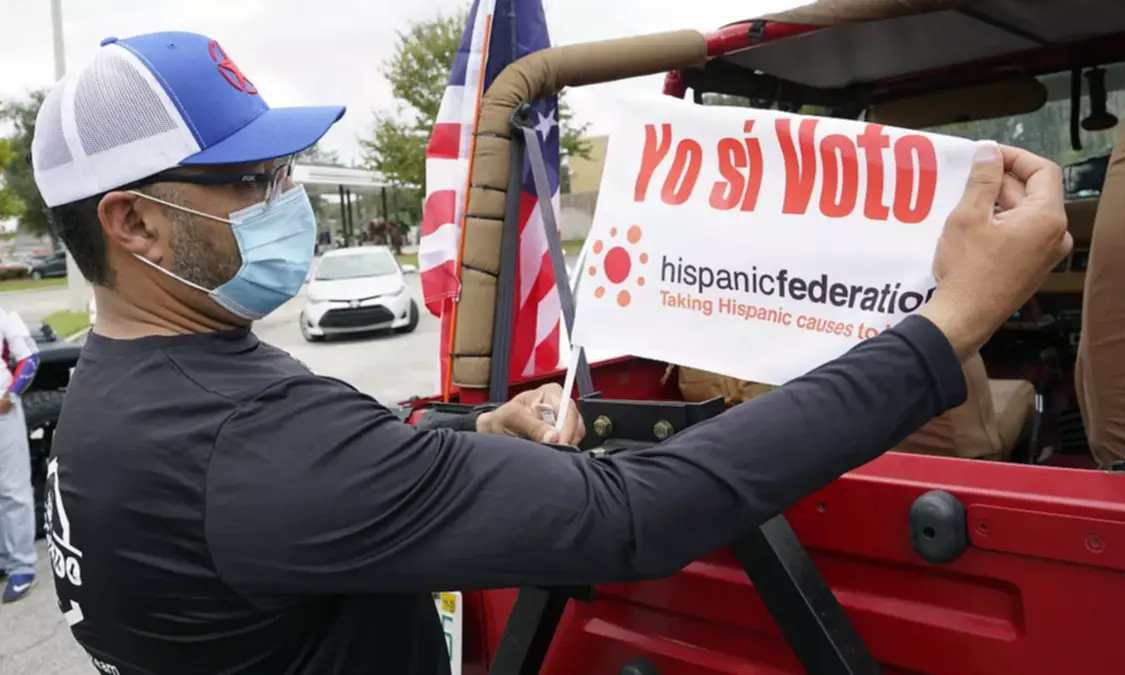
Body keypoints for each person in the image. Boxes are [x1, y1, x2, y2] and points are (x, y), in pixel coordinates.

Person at [32, 31, 1069, 675]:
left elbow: (298, 490)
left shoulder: (116, 392)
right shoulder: (250, 442)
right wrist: (949, 323)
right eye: (255, 179)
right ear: (136, 223)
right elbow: (636, 515)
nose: (288, 196)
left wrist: (474, 431)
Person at [0, 305, 41, 603]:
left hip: (3, 413)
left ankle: (22, 566)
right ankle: (4, 558)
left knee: (12, 490)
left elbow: (30, 357)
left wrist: (11, 395)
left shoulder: (4, 315)